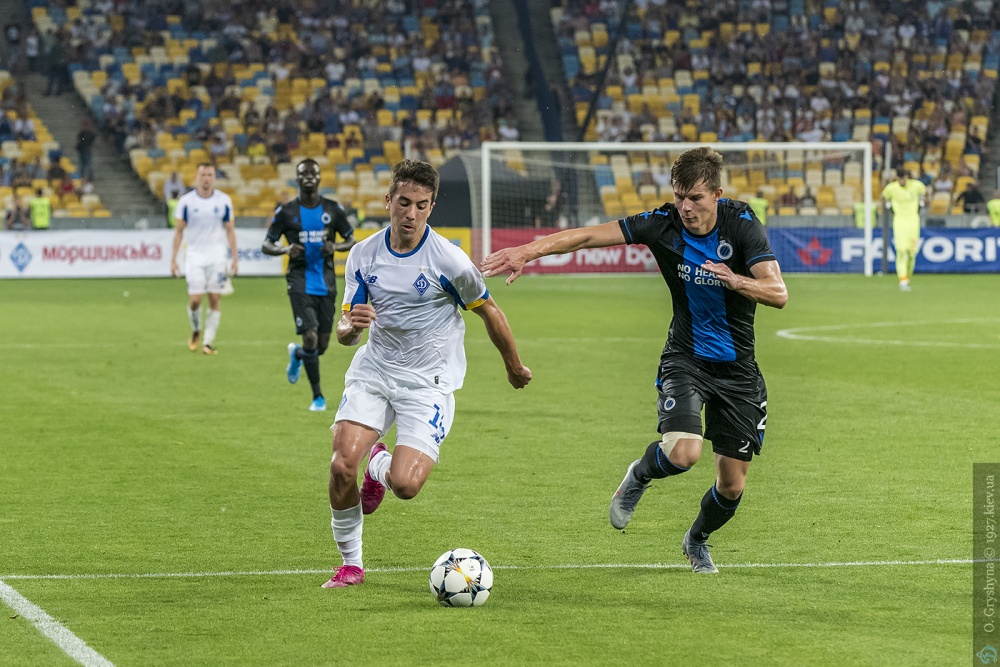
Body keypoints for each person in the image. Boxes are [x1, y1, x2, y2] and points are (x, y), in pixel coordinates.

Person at [482, 147, 787, 574]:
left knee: (732, 486)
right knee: (683, 453)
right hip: (686, 359)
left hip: (739, 372)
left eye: (695, 198)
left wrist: (734, 280)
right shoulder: (661, 223)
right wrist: (527, 252)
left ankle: (696, 540)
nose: (685, 207)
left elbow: (778, 293)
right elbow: (587, 236)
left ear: (717, 195)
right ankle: (640, 476)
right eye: (679, 196)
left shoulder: (741, 223)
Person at [321, 159, 532, 588]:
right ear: (388, 201)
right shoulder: (363, 255)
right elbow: (344, 330)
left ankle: (378, 465)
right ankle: (351, 564)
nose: (411, 214)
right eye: (404, 202)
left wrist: (513, 366)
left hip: (428, 382)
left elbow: (490, 312)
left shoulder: (449, 261)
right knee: (341, 465)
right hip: (376, 370)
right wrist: (350, 328)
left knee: (405, 485)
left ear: (431, 207)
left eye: (421, 205)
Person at [261, 159, 357, 412]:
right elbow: (266, 245)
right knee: (311, 335)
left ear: (319, 178)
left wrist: (335, 246)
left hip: (326, 281)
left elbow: (351, 240)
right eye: (303, 174)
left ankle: (298, 355)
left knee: (321, 344)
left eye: (313, 173)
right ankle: (318, 398)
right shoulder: (287, 212)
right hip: (299, 280)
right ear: (297, 179)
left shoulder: (332, 209)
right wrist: (285, 249)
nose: (309, 178)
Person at [169, 163, 238, 354]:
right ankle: (196, 329)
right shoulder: (186, 202)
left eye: (209, 175)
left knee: (214, 298)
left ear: (214, 178)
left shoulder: (224, 201)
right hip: (194, 256)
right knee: (195, 300)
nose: (206, 178)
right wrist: (173, 259)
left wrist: (235, 258)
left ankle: (208, 342)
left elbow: (230, 230)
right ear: (197, 177)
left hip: (217, 257)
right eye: (203, 175)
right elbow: (179, 232)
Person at [881, 167, 926, 291]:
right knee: (901, 251)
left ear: (907, 177)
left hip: (913, 221)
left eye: (904, 178)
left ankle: (907, 277)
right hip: (899, 221)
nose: (902, 181)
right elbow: (884, 196)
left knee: (912, 253)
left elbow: (924, 192)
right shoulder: (891, 188)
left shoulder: (916, 185)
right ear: (897, 178)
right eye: (900, 179)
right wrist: (888, 205)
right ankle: (903, 280)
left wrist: (921, 203)